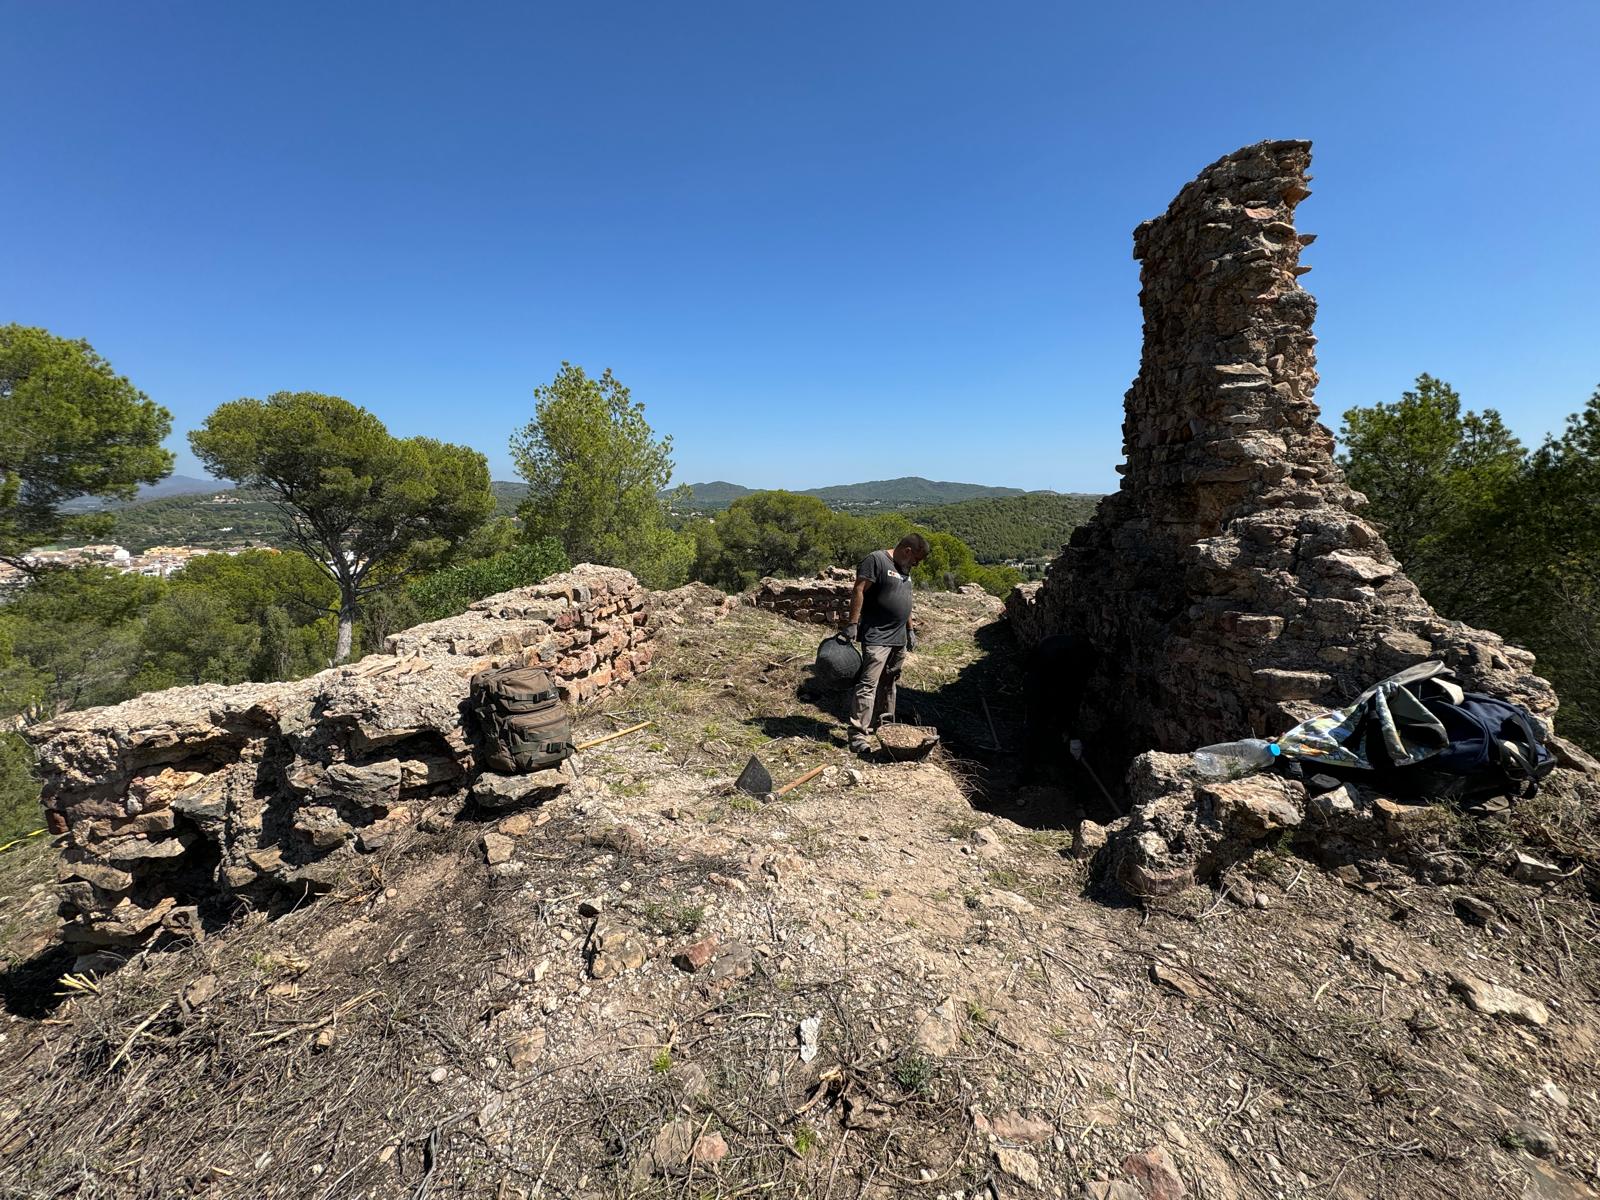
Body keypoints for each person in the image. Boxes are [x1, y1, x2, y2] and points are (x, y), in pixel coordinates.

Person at [839, 533, 930, 754]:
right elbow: (859, 589)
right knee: (868, 685)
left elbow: (906, 601)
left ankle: (885, 728)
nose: (915, 565)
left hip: (898, 638)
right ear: (907, 551)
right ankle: (858, 735)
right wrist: (852, 623)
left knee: (889, 684)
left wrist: (910, 630)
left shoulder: (904, 569)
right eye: (915, 560)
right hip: (877, 636)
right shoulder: (876, 560)